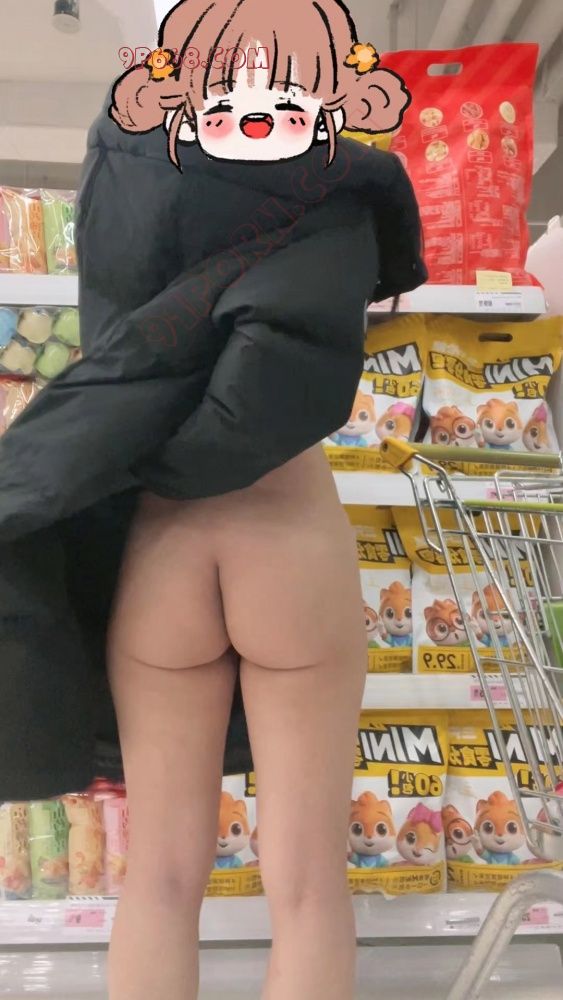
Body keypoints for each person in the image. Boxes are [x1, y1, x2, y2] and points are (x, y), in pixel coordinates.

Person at [0, 2, 426, 998]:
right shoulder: (337, 179)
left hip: (165, 541)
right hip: (288, 531)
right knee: (308, 887)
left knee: (157, 878)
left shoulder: (128, 165)